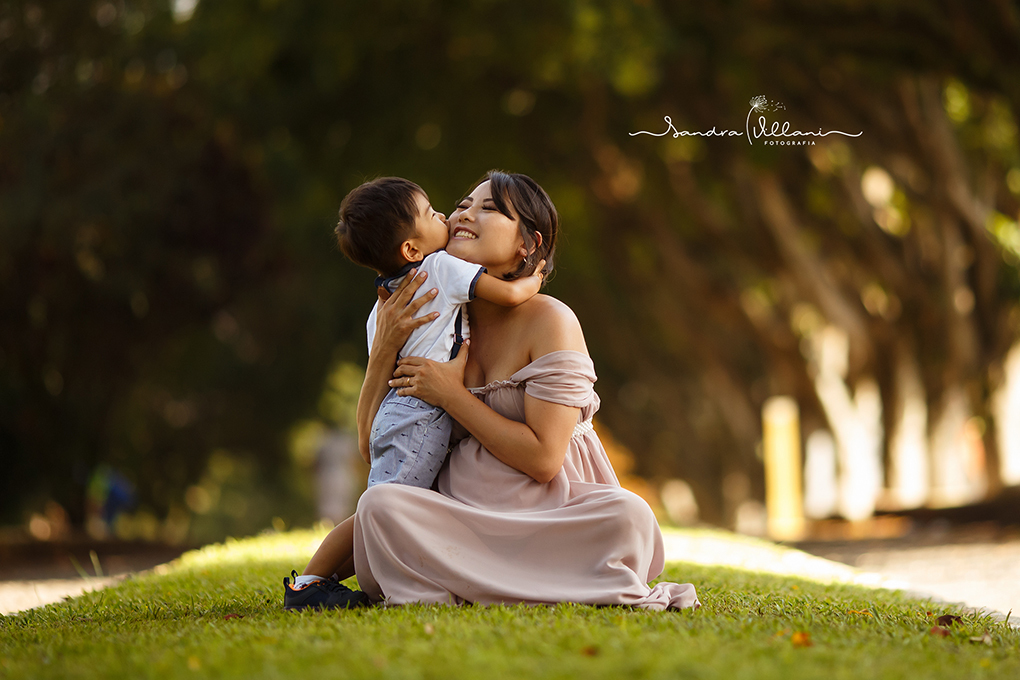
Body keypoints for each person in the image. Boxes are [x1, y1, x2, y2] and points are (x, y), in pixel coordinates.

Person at [350, 170, 700, 610]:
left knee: (627, 516)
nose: (464, 213)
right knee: (381, 505)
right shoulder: (430, 322)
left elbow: (543, 460)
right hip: (462, 517)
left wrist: (452, 396)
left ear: (527, 244)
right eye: (462, 204)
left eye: (489, 208)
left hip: (552, 516)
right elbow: (371, 446)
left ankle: (468, 584)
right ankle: (496, 582)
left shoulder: (550, 320)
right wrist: (382, 352)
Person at [283, 177, 544, 611]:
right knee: (391, 507)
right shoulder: (442, 269)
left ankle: (315, 580)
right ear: (410, 249)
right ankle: (312, 583)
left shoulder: (381, 310)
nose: (447, 216)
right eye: (431, 214)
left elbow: (377, 393)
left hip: (396, 410)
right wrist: (535, 275)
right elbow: (512, 292)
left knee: (389, 502)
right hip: (421, 414)